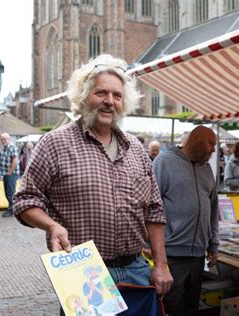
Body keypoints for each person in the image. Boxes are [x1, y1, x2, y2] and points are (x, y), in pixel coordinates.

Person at [13, 55, 173, 304]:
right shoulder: (54, 143)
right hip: (84, 272)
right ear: (84, 96)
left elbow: (154, 210)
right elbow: (25, 200)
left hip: (136, 270)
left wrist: (161, 264)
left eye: (117, 96)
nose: (109, 102)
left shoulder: (136, 148)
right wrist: (51, 226)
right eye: (101, 93)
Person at [153, 126, 219, 316]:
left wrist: (213, 244)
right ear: (196, 139)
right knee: (172, 306)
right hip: (172, 254)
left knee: (192, 306)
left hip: (198, 255)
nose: (214, 150)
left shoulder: (207, 169)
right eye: (211, 144)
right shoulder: (164, 162)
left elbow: (213, 208)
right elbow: (150, 206)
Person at [0, 133, 19, 217]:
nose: (3, 141)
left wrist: (10, 172)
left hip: (12, 174)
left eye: (5, 139)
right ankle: (11, 208)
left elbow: (15, 160)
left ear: (9, 139)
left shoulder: (12, 147)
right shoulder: (4, 148)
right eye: (2, 139)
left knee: (10, 193)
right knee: (7, 192)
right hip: (5, 174)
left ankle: (11, 210)